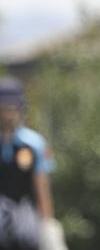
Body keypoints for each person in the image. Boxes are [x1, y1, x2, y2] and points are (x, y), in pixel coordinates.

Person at [0, 76, 67, 250]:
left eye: (11, 108)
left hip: (25, 215)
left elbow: (41, 185)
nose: (8, 114)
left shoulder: (33, 143)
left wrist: (48, 225)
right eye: (3, 108)